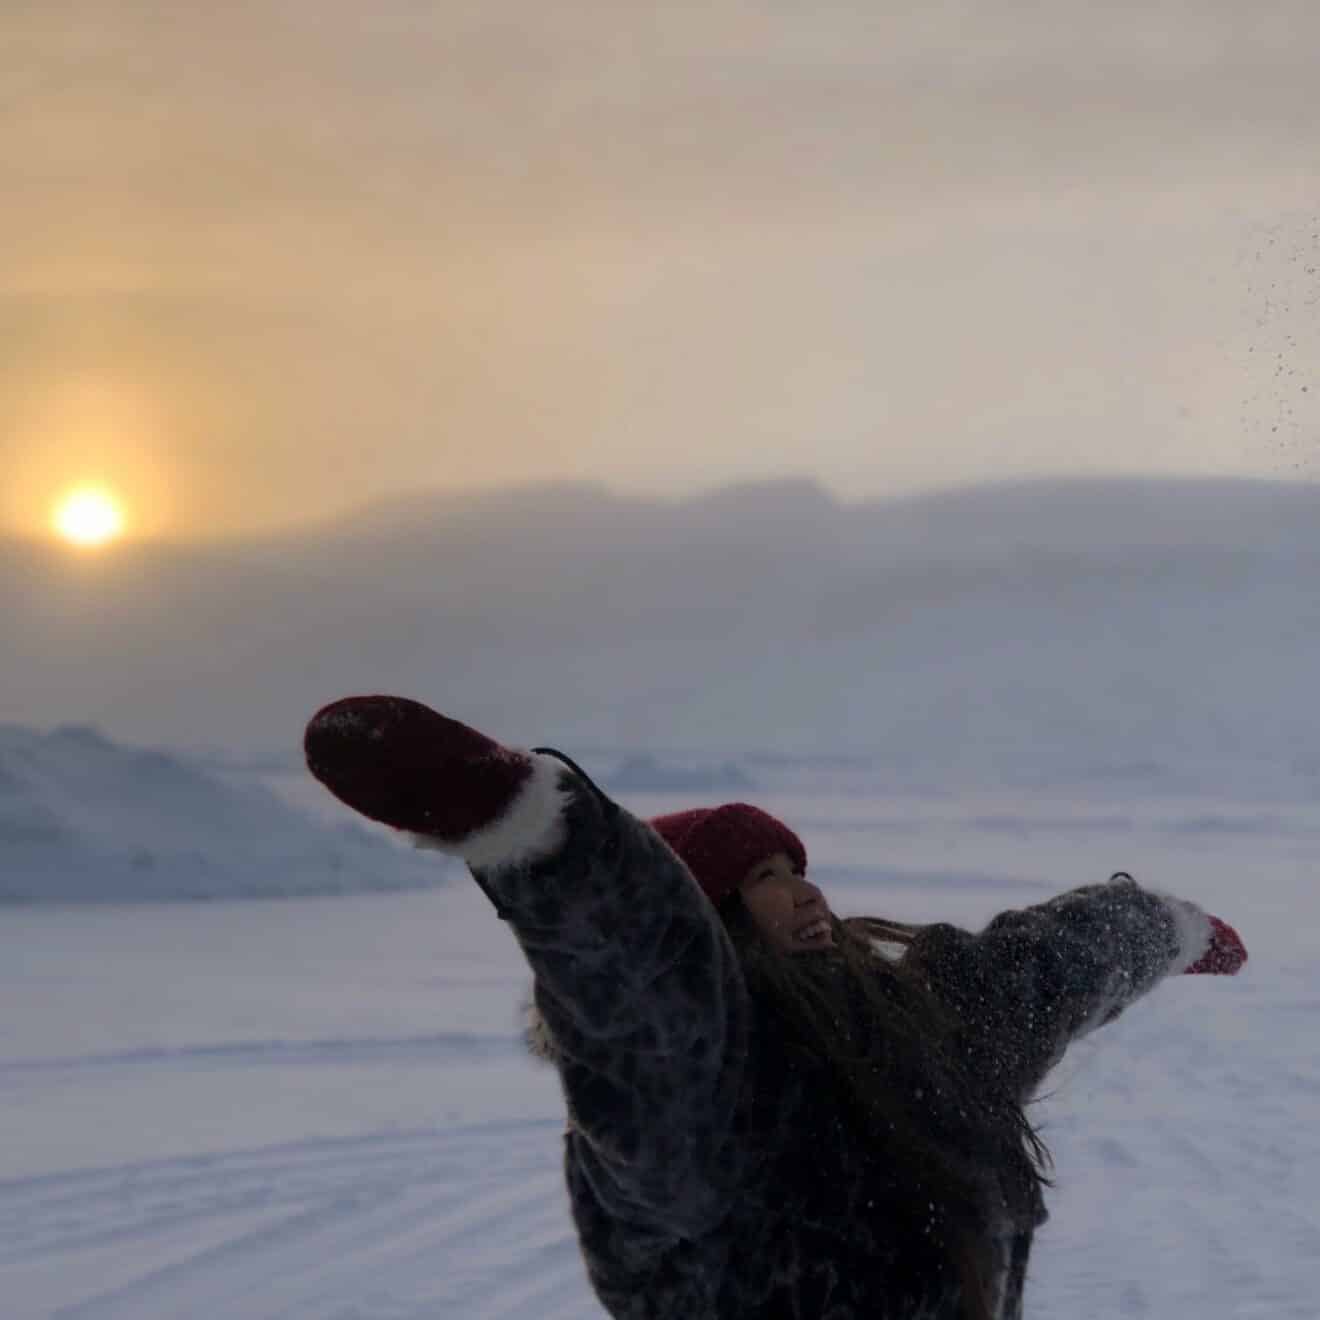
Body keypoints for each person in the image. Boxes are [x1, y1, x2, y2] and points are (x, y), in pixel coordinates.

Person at [304, 694, 1247, 1320]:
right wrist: (537, 833)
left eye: (798, 869)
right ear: (709, 914)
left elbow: (1046, 967)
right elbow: (638, 966)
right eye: (760, 878)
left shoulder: (913, 1019)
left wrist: (1162, 926)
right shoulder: (697, 1087)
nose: (802, 894)